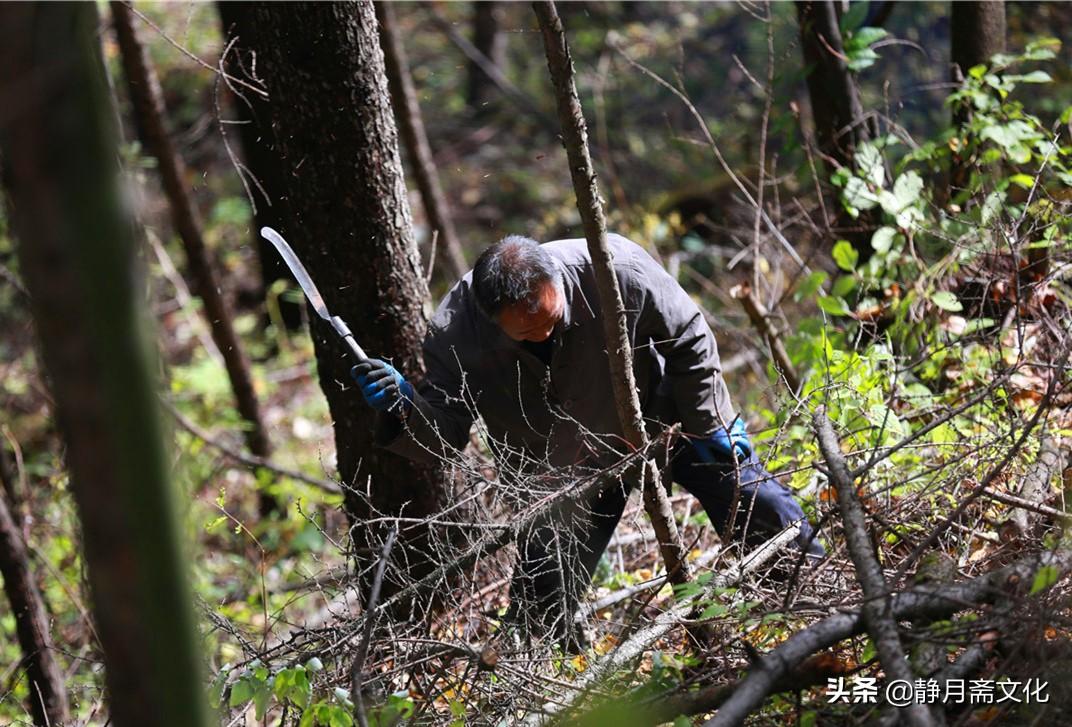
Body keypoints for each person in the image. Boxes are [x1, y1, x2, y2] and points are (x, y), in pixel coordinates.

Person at [352, 233, 823, 642]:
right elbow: (445, 433)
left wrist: (708, 423)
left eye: (549, 323)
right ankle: (555, 684)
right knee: (542, 600)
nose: (542, 335)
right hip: (560, 470)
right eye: (527, 333)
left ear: (553, 281)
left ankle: (820, 603)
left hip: (659, 418)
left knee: (761, 509)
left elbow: (688, 335)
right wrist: (405, 407)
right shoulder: (456, 333)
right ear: (490, 316)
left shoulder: (615, 268)